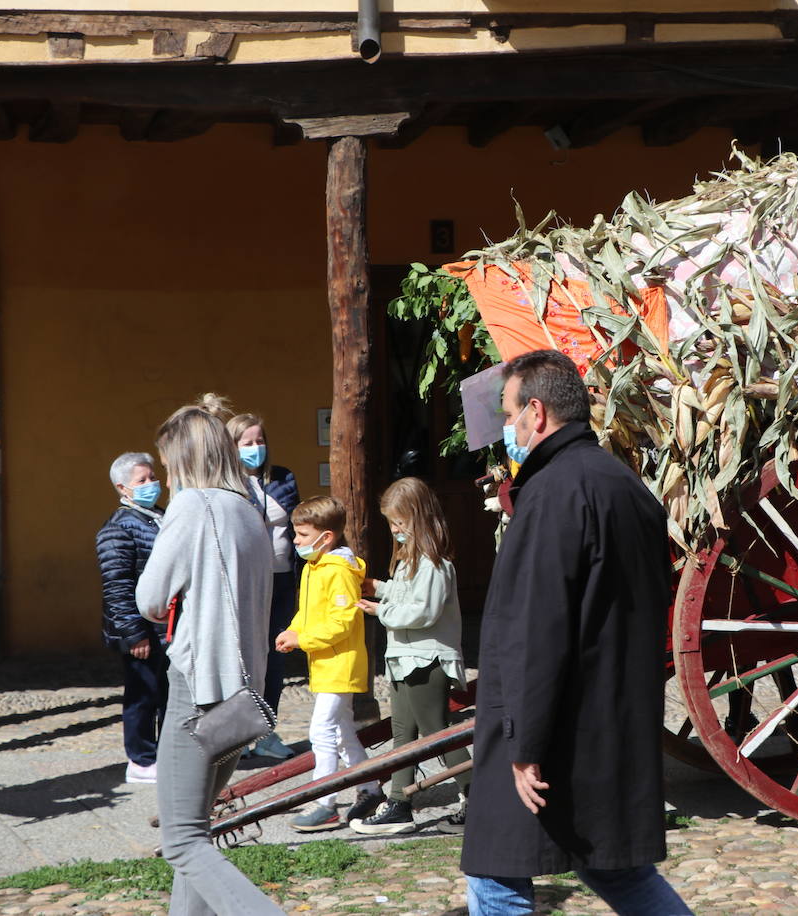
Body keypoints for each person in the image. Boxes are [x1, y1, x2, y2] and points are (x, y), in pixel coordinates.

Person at [461, 350, 692, 916]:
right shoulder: (625, 485)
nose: (507, 430)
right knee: (617, 869)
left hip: (554, 729)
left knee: (495, 877)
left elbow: (536, 631)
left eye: (510, 413)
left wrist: (523, 743)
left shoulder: (552, 494)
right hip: (607, 725)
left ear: (535, 413)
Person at [134, 394, 281, 915]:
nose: (166, 481)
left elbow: (149, 599)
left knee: (182, 841)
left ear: (186, 462)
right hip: (243, 695)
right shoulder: (250, 509)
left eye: (170, 468)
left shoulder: (192, 506)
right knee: (196, 834)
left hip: (198, 689)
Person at [351, 476, 470, 836]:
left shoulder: (434, 564)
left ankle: (478, 796)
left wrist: (379, 612)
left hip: (426, 659)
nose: (394, 530)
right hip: (405, 657)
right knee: (404, 734)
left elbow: (423, 611)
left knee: (436, 733)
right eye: (391, 523)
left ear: (418, 518)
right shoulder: (409, 562)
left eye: (398, 522)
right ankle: (400, 805)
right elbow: (407, 596)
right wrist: (382, 590)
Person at [273, 495, 381, 832]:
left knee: (321, 731)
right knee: (342, 732)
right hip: (325, 664)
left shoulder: (338, 571)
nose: (296, 541)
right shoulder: (313, 567)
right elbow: (309, 614)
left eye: (302, 535)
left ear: (326, 537)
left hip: (341, 664)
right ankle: (370, 789)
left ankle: (326, 803)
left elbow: (341, 623)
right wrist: (293, 630)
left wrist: (302, 640)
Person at [227, 412, 300, 760]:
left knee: (275, 655)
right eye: (247, 443)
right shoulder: (228, 484)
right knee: (243, 657)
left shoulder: (282, 478)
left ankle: (267, 732)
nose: (256, 448)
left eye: (260, 441)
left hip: (282, 579)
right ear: (232, 447)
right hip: (245, 583)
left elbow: (300, 522)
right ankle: (239, 735)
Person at [96, 451, 168, 785]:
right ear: (123, 488)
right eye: (142, 480)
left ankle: (166, 754)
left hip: (166, 624)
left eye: (152, 477)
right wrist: (133, 632)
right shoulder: (119, 528)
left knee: (167, 692)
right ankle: (140, 759)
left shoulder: (156, 516)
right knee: (143, 693)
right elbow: (117, 584)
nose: (152, 484)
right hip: (142, 628)